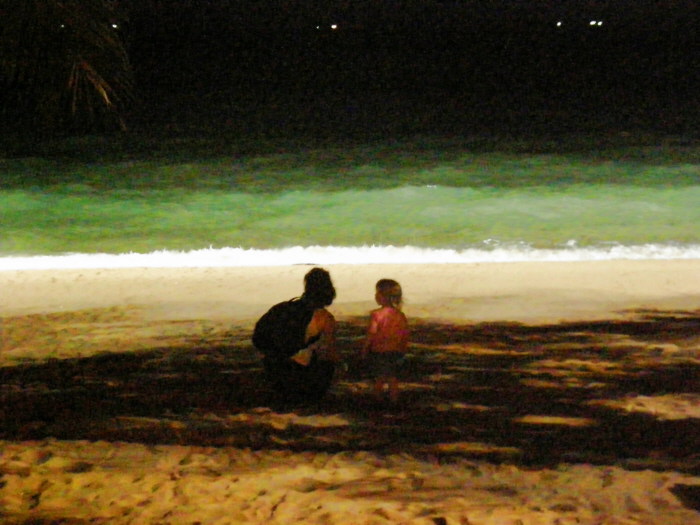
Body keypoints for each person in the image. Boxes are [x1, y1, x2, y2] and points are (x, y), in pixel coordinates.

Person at [259, 267, 338, 401]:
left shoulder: (287, 308)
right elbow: (330, 351)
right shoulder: (325, 317)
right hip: (301, 373)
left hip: (274, 368)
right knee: (327, 364)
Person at [361, 278, 409, 403]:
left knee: (380, 378)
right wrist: (403, 348)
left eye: (377, 293)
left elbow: (372, 333)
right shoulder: (400, 315)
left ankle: (378, 400)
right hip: (395, 351)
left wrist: (365, 348)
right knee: (393, 378)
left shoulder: (377, 314)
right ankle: (394, 400)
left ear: (382, 296)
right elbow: (404, 334)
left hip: (379, 351)